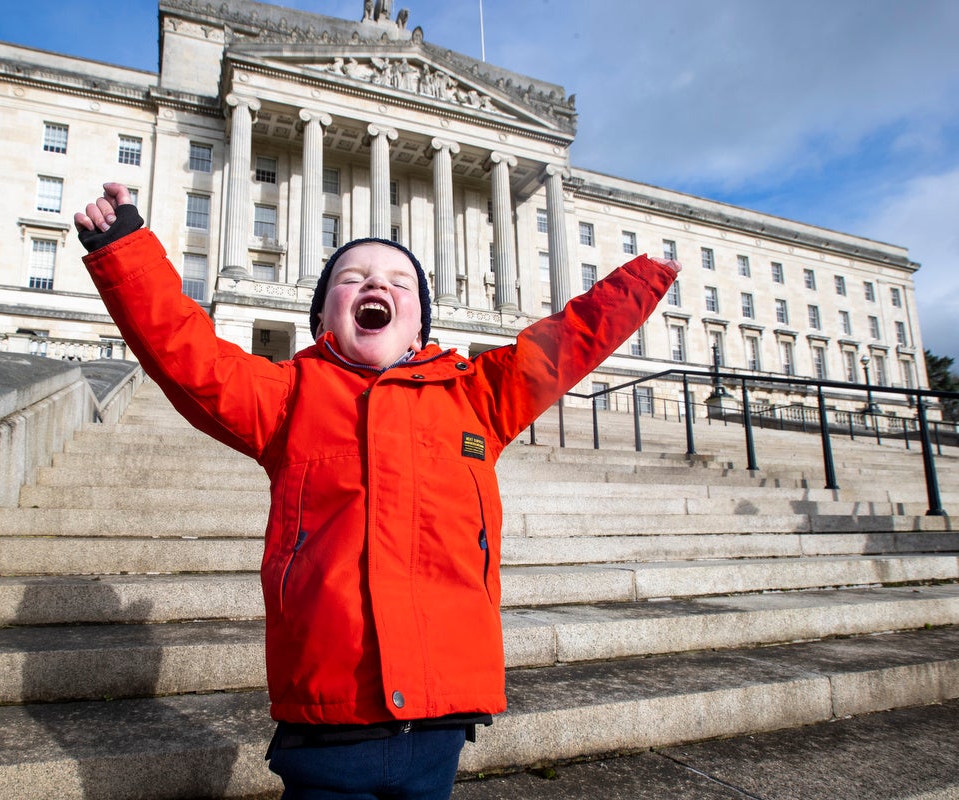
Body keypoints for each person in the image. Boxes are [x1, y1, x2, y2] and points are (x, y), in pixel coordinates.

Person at [75, 182, 679, 799]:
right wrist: (123, 250)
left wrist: (643, 280)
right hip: (328, 719)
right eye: (351, 277)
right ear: (321, 320)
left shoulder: (476, 397)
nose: (376, 286)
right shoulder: (286, 396)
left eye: (399, 282)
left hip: (442, 711)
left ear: (420, 324)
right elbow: (188, 353)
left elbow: (568, 343)